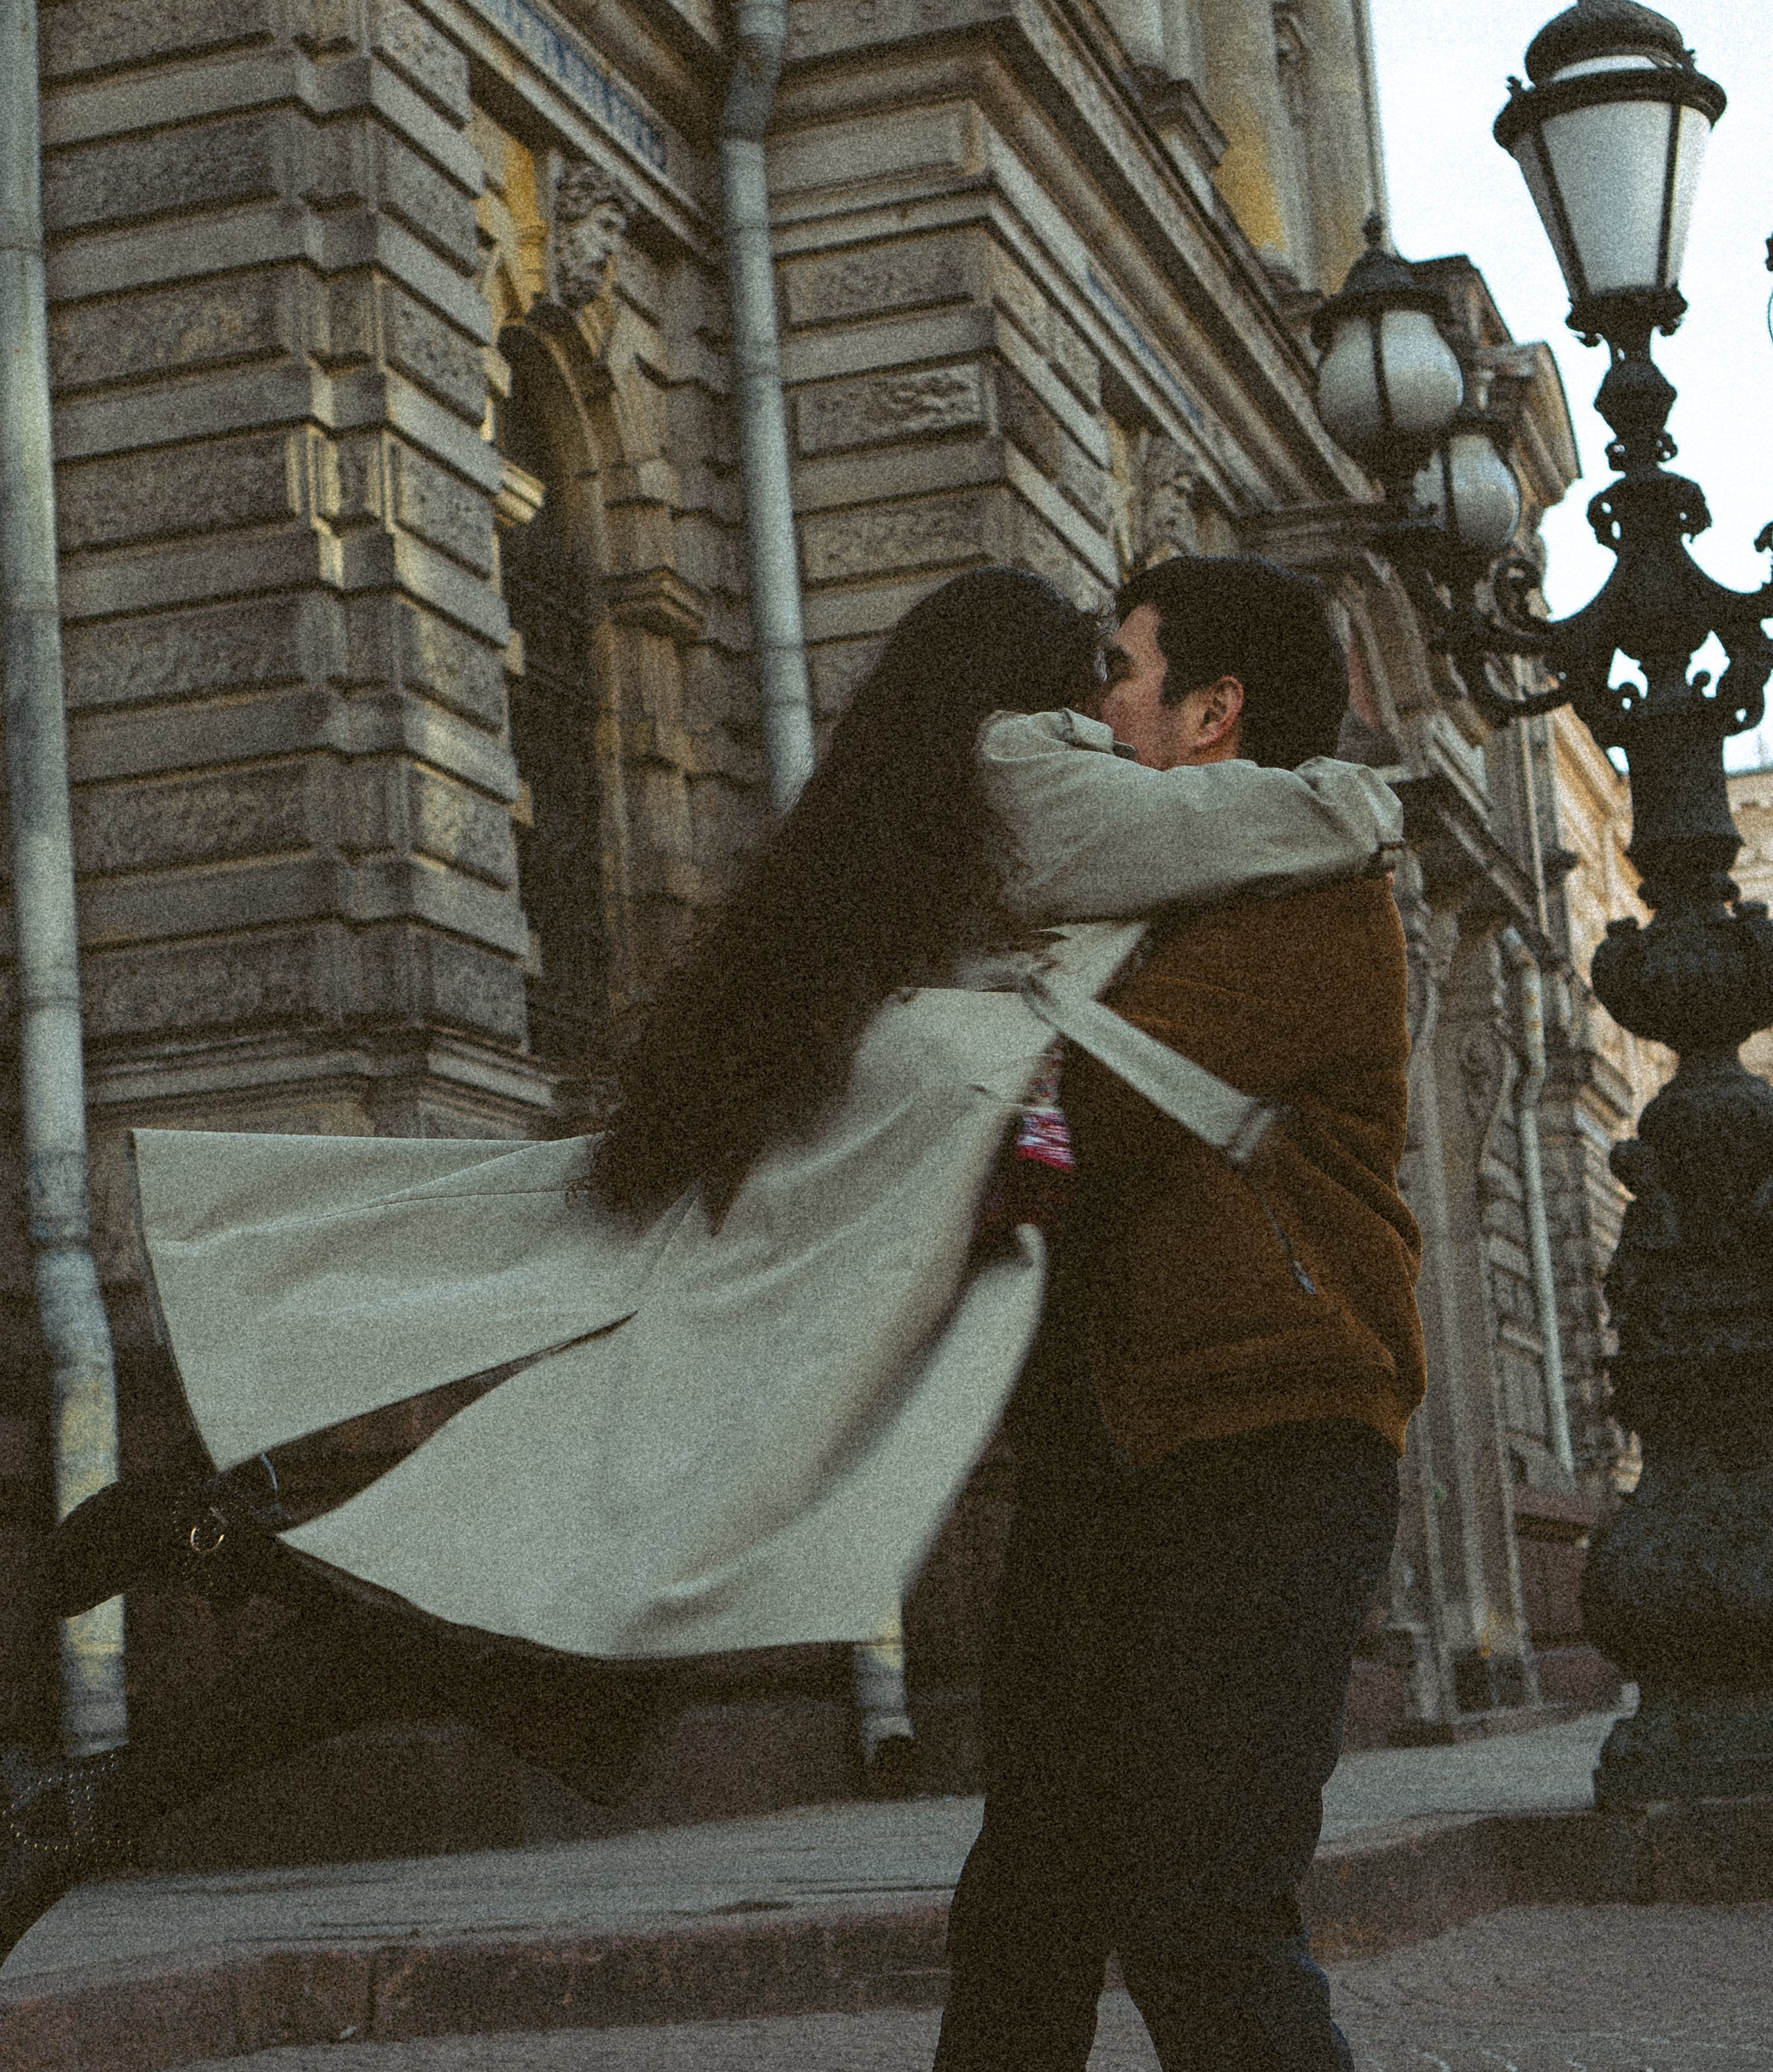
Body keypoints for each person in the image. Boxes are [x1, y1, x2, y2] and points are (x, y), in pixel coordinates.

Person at [1, 567, 1402, 1979]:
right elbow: (1267, 819)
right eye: (1092, 669)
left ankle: (157, 1663)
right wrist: (1365, 798)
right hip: (799, 1317)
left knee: (550, 1673)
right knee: (540, 1650)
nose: (1106, 700)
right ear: (1025, 687)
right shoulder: (1026, 772)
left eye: (1125, 669)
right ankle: (167, 1632)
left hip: (783, 1279)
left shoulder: (906, 809)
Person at [894, 555, 1433, 2072]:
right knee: (1023, 1926)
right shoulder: (1144, 896)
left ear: (1212, 717)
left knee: (1201, 1908)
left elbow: (1072, 1129)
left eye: (1120, 680)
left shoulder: (1305, 892)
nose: (1093, 709)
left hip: (1272, 1449)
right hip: (1105, 1459)